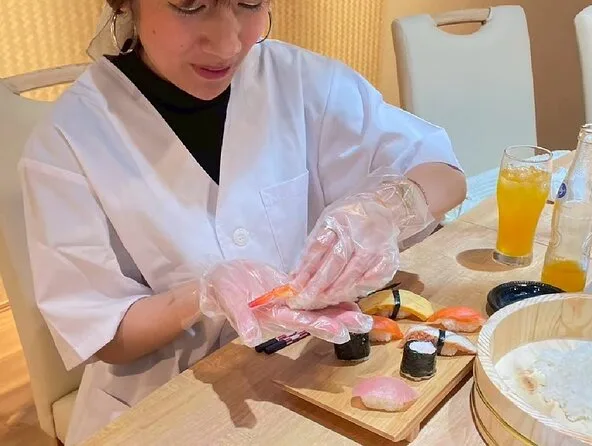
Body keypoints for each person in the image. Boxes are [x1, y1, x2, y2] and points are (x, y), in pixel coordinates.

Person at [18, 1, 466, 444]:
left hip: (303, 376)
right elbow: (106, 335)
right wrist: (202, 294)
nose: (229, 43)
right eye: (190, 5)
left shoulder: (300, 81)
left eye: (250, 2)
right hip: (158, 402)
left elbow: (443, 172)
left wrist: (389, 207)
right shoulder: (68, 141)